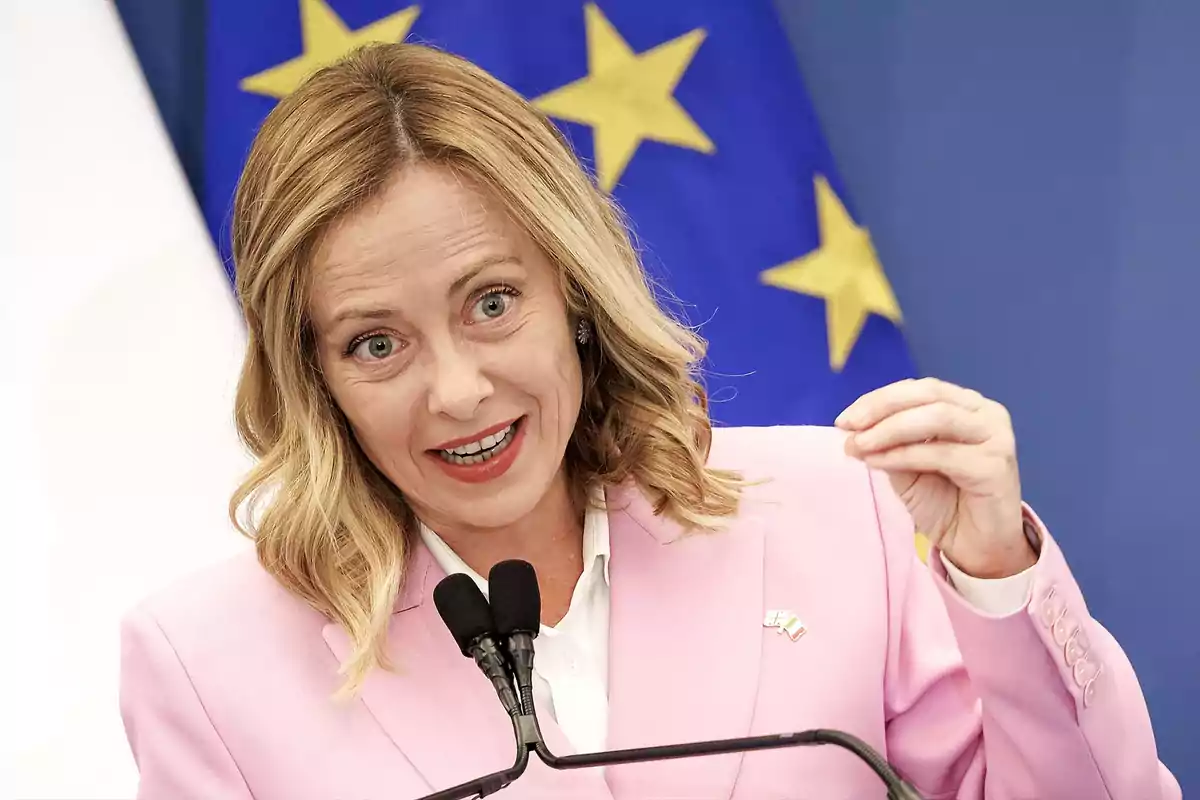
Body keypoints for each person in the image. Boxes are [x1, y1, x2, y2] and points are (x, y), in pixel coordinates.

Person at [118, 42, 1179, 800]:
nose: (457, 390)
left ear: (573, 289)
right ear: (313, 375)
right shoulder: (208, 664)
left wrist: (994, 574)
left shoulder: (833, 512)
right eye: (375, 343)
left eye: (492, 302)